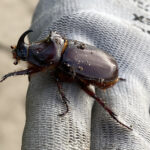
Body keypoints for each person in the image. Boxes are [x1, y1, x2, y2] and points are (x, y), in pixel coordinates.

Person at [22, 0, 150, 149]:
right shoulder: (60, 46)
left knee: (93, 95)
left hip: (104, 74)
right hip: (106, 67)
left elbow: (44, 72)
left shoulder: (59, 61)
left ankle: (117, 119)